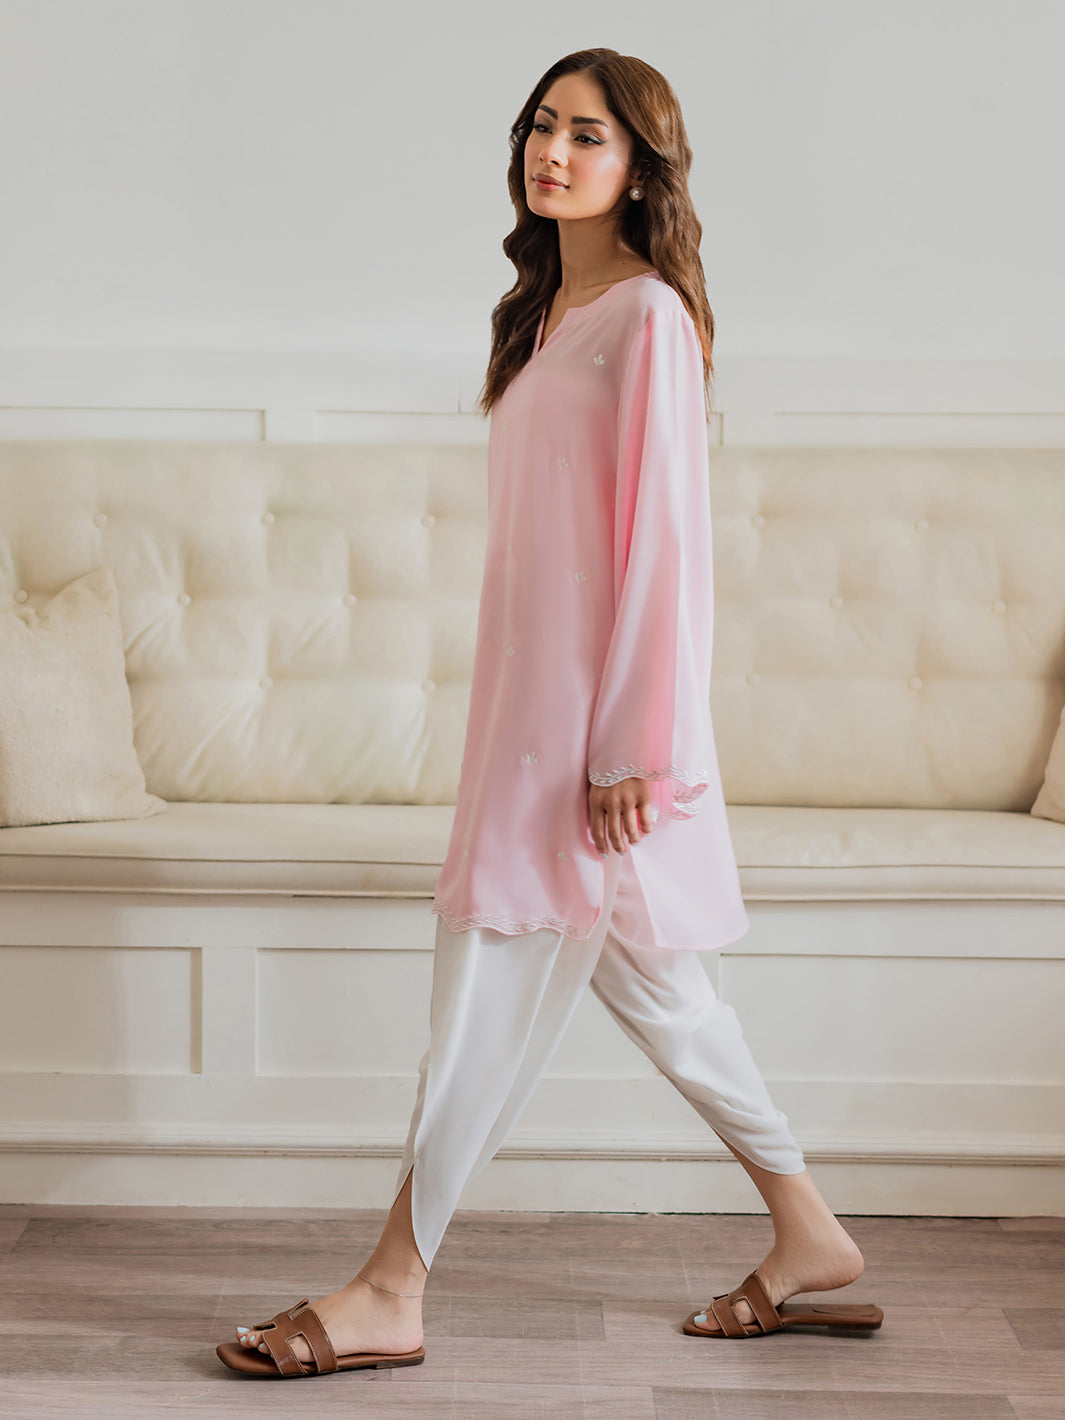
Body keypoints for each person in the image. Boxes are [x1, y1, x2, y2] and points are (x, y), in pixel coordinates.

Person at [215, 47, 883, 1381]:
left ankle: (390, 1287)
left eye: (588, 133)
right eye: (541, 125)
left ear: (640, 168)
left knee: (484, 981)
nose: (553, 149)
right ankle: (808, 1233)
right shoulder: (544, 319)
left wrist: (631, 743)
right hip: (530, 715)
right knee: (667, 997)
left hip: (589, 742)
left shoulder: (648, 319)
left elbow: (665, 547)